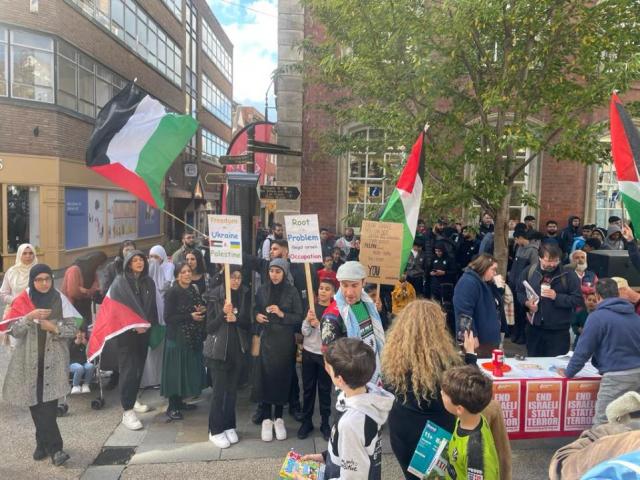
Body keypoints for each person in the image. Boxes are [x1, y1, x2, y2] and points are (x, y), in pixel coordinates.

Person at [382, 300, 479, 478]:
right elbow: (468, 390)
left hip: (401, 427)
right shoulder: (444, 363)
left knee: (411, 475)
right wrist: (470, 356)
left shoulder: (393, 358)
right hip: (434, 435)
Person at [2, 264, 78, 466]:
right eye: (39, 280)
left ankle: (55, 449)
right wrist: (29, 317)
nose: (44, 283)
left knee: (48, 406)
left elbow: (74, 329)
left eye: (47, 279)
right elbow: (14, 331)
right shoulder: (23, 301)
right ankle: (42, 443)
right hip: (28, 362)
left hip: (53, 361)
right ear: (32, 281)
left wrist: (53, 327)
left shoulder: (60, 300)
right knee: (35, 404)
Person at [299, 338, 394, 480]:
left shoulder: (351, 424)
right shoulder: (368, 397)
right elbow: (355, 451)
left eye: (328, 369)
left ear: (340, 380)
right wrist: (326, 456)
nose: (325, 369)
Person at [559, 278, 640, 425]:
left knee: (603, 421)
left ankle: (603, 447)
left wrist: (568, 372)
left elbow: (583, 350)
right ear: (617, 294)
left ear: (597, 296)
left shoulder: (597, 317)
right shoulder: (635, 317)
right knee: (627, 421)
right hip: (637, 373)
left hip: (617, 376)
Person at [252, 258, 303, 442]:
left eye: (278, 271)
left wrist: (282, 314)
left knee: (282, 378)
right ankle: (266, 418)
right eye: (272, 271)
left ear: (284, 272)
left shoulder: (292, 291)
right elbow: (254, 309)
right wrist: (256, 316)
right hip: (266, 341)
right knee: (265, 378)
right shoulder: (262, 289)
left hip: (284, 342)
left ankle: (279, 418)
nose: (274, 275)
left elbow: (299, 316)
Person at [112, 251, 158, 430]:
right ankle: (127, 411)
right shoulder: (120, 283)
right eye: (135, 260)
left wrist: (149, 325)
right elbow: (116, 310)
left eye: (141, 259)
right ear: (128, 264)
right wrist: (133, 326)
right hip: (126, 334)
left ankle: (133, 398)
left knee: (139, 368)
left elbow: (152, 307)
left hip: (144, 332)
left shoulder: (148, 282)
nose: (139, 262)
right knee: (129, 370)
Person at [206, 266, 251, 448]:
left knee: (232, 392)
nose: (236, 281)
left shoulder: (244, 294)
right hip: (219, 352)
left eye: (239, 277)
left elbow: (248, 322)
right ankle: (215, 429)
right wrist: (223, 314)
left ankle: (229, 425)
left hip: (237, 350)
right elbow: (209, 327)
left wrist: (237, 319)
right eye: (232, 277)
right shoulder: (215, 295)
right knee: (219, 392)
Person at [321, 261, 386, 384]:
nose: (349, 292)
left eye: (354, 285)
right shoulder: (333, 315)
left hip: (374, 376)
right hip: (353, 384)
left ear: (363, 282)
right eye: (344, 285)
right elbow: (328, 358)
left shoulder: (367, 305)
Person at [517, 243, 583, 357]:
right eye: (548, 260)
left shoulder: (568, 275)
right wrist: (527, 303)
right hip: (534, 328)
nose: (552, 264)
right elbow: (519, 291)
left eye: (556, 260)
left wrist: (557, 297)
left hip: (558, 330)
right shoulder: (530, 271)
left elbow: (578, 299)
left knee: (555, 366)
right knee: (535, 363)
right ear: (540, 258)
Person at [161, 262, 206, 420]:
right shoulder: (172, 292)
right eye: (183, 272)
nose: (187, 274)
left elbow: (197, 306)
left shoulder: (194, 289)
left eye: (189, 271)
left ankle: (180, 402)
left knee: (185, 370)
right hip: (176, 338)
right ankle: (172, 406)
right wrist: (190, 316)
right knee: (175, 372)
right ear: (177, 275)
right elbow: (168, 318)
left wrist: (201, 309)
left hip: (191, 336)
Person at [441, 365, 499, 480]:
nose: (441, 393)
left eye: (444, 394)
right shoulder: (469, 418)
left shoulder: (476, 455)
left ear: (459, 409)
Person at [298, 279, 335, 440]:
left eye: (327, 289)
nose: (323, 291)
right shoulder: (311, 308)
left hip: (325, 356)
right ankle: (306, 422)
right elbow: (304, 332)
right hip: (308, 353)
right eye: (321, 288)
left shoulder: (334, 311)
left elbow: (331, 336)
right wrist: (308, 320)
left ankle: (325, 423)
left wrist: (319, 325)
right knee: (308, 389)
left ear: (333, 293)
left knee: (325, 390)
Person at [98, 240, 136, 390]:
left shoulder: (137, 265)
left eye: (131, 250)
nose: (129, 252)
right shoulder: (112, 267)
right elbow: (106, 288)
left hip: (132, 311)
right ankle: (116, 374)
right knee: (117, 344)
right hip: (115, 310)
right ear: (121, 251)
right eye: (126, 250)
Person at [453, 254, 502, 357]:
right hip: (477, 340)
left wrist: (498, 287)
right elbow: (463, 312)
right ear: (484, 267)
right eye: (493, 269)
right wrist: (472, 335)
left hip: (488, 338)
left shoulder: (485, 282)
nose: (495, 273)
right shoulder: (468, 282)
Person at [140, 245, 175, 389]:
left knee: (159, 353)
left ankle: (159, 379)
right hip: (148, 323)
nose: (153, 261)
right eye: (151, 257)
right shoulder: (142, 282)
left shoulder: (168, 273)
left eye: (156, 257)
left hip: (161, 322)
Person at [0, 243, 38, 346]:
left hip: (35, 313)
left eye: (31, 253)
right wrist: (16, 301)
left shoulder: (39, 271)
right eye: (24, 253)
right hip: (15, 313)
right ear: (19, 255)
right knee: (16, 345)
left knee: (33, 346)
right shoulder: (12, 272)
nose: (28, 256)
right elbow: (3, 293)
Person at [61, 251, 107, 330]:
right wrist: (88, 292)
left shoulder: (92, 271)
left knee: (85, 333)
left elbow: (96, 287)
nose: (100, 267)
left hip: (85, 306)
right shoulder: (74, 269)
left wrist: (85, 291)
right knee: (72, 334)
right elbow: (73, 292)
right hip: (73, 306)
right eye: (100, 264)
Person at [69, 329, 94, 394]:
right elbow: (69, 354)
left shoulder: (86, 342)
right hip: (72, 364)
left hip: (84, 362)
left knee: (90, 366)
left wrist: (87, 345)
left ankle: (86, 384)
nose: (80, 334)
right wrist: (76, 343)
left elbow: (91, 354)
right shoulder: (71, 341)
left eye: (82, 332)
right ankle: (75, 385)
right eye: (78, 332)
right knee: (79, 368)